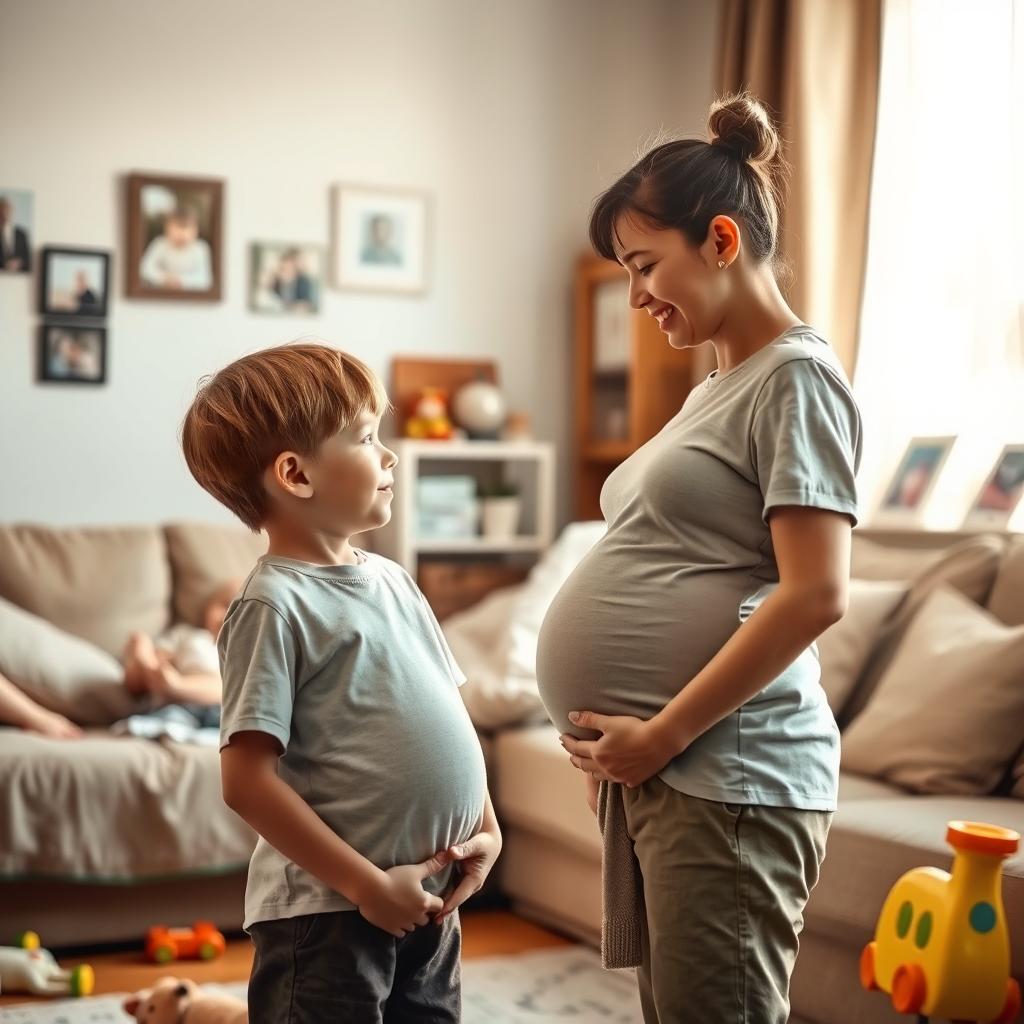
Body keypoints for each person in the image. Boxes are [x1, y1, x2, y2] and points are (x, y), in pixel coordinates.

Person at [537, 92, 862, 1023]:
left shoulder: (797, 379)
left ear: (720, 240)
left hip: (732, 777)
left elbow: (816, 594)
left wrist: (664, 733)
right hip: (679, 776)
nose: (636, 296)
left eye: (645, 265)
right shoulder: (725, 382)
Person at [180, 342, 500, 1023]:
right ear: (295, 475)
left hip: (426, 901)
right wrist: (366, 886)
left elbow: (448, 713)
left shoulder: (394, 580)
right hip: (328, 915)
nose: (388, 455)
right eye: (364, 436)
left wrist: (488, 829)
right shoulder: (272, 606)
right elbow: (247, 783)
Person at [121, 578, 238, 709]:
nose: (228, 616)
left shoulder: (240, 652)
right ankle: (143, 667)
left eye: (238, 614)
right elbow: (162, 655)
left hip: (215, 705)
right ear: (209, 606)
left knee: (226, 687)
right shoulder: (187, 634)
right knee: (141, 643)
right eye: (226, 605)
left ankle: (175, 687)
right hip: (172, 695)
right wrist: (149, 656)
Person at [139, 204, 212, 290]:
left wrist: (181, 281)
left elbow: (205, 279)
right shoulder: (159, 244)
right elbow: (145, 269)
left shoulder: (201, 248)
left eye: (186, 228)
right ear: (167, 228)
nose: (182, 235)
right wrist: (164, 279)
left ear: (196, 231)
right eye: (177, 228)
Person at [0, 196, 31, 272]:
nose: (5, 214)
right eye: (2, 211)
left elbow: (29, 260)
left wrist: (19, 263)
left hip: (19, 278)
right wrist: (5, 265)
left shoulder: (21, 234)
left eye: (7, 210)